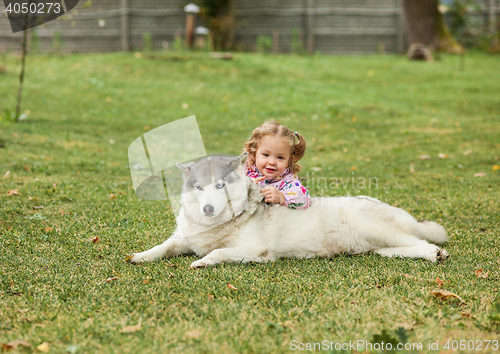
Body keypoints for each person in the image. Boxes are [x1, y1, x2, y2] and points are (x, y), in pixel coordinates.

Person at [243, 120, 310, 209]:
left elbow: (304, 200)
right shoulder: (246, 168)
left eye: (280, 157)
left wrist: (281, 197)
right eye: (266, 155)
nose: (272, 162)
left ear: (288, 161)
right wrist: (245, 185)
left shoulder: (287, 180)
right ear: (254, 154)